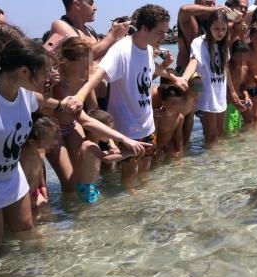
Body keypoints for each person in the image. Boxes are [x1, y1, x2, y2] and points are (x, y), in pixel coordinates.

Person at [0, 37, 77, 275]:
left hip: (11, 174)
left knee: (26, 228)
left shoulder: (23, 91)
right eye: (45, 72)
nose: (49, 77)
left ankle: (45, 275)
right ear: (24, 71)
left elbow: (38, 101)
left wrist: (60, 106)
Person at [74, 4, 184, 190]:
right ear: (143, 28)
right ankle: (132, 206)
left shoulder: (148, 49)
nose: (164, 37)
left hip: (147, 124)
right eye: (159, 32)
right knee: (129, 177)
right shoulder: (120, 50)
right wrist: (79, 96)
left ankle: (145, 201)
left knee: (145, 170)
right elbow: (99, 74)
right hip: (126, 128)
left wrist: (173, 77)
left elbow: (152, 68)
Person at [181, 9, 243, 145]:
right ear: (209, 27)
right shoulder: (199, 42)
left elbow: (225, 68)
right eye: (216, 28)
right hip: (207, 98)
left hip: (220, 96)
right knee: (210, 137)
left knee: (220, 134)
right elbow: (194, 61)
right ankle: (213, 163)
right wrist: (184, 78)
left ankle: (218, 164)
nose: (220, 33)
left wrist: (232, 92)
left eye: (223, 29)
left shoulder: (224, 44)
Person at [76, 109, 135, 203]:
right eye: (107, 131)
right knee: (87, 211)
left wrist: (109, 153)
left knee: (89, 208)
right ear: (94, 130)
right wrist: (129, 153)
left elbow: (97, 156)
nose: (109, 134)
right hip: (87, 187)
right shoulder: (89, 144)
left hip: (89, 186)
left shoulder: (91, 144)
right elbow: (106, 159)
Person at [48, 0, 130, 60]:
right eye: (90, 3)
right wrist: (112, 35)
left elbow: (100, 53)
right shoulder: (59, 26)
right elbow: (84, 57)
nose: (95, 8)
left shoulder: (90, 30)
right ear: (77, 5)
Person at [19, 116, 60, 210]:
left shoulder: (40, 153)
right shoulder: (24, 159)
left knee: (48, 216)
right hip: (24, 198)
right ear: (32, 142)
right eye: (50, 140)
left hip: (35, 193)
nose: (55, 142)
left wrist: (43, 186)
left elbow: (40, 168)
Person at [153, 84, 185, 159]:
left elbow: (179, 136)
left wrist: (180, 151)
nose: (177, 105)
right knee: (156, 160)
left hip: (169, 142)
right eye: (173, 103)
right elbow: (154, 136)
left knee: (175, 158)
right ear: (164, 103)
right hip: (158, 144)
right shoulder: (158, 117)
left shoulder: (180, 117)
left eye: (179, 103)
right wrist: (155, 149)